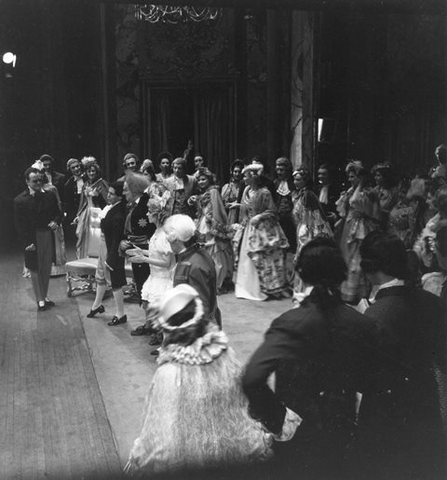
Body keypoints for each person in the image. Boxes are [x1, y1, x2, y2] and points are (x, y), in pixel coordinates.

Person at [242, 237, 377, 480]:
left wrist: (276, 417)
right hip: (340, 422)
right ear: (341, 275)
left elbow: (252, 377)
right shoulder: (362, 324)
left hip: (296, 425)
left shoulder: (290, 322)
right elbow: (369, 380)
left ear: (302, 275)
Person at [125, 284, 272, 476]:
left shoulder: (169, 374)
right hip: (231, 455)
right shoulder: (225, 355)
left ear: (169, 330)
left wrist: (138, 458)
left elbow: (158, 435)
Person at [357, 231, 446, 480]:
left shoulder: (373, 317)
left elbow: (363, 379)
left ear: (370, 269)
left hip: (384, 414)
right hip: (425, 403)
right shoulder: (432, 301)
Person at [127, 185, 176, 341]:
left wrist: (144, 259)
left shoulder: (164, 235)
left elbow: (167, 262)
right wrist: (141, 251)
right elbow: (156, 253)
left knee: (160, 309)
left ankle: (164, 337)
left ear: (156, 215)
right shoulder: (157, 230)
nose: (147, 214)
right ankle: (156, 331)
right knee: (148, 304)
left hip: (163, 277)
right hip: (155, 276)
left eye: (149, 212)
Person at [235, 163, 290, 301]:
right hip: (250, 226)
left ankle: (265, 287)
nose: (244, 179)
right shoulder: (247, 190)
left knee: (263, 257)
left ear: (253, 177)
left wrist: (259, 216)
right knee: (247, 257)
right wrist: (239, 206)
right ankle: (247, 287)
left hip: (262, 228)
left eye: (246, 176)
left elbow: (272, 211)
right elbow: (248, 207)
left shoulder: (264, 192)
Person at [14, 167, 63, 311]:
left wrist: (56, 221)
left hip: (47, 235)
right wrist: (26, 243)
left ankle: (44, 295)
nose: (38, 183)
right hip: (31, 238)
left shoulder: (49, 195)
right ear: (27, 181)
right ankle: (40, 299)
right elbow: (19, 225)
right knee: (35, 267)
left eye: (40, 180)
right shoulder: (20, 200)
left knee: (46, 267)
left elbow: (58, 214)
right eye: (34, 181)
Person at [164, 214, 221, 327]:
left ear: (175, 240)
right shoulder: (199, 254)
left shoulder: (192, 265)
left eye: (167, 238)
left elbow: (201, 306)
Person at [336, 160, 381, 303]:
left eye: (352, 176)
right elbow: (343, 210)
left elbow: (375, 213)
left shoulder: (368, 192)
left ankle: (358, 292)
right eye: (349, 177)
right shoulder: (350, 191)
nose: (350, 180)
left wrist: (364, 215)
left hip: (361, 228)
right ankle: (346, 291)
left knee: (358, 258)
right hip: (349, 226)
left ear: (360, 177)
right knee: (347, 256)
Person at [86, 181, 128, 326]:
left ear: (120, 197)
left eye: (111, 194)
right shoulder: (112, 207)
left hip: (112, 249)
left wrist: (111, 258)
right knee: (100, 276)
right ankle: (97, 305)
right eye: (108, 192)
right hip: (103, 245)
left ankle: (120, 313)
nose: (108, 195)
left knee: (115, 280)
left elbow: (116, 240)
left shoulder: (119, 214)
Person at [191, 167, 234, 294]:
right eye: (199, 180)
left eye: (203, 179)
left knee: (215, 253)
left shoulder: (214, 191)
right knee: (205, 253)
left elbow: (217, 210)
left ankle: (217, 283)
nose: (201, 182)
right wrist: (196, 202)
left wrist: (215, 226)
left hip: (210, 224)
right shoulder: (204, 193)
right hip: (203, 222)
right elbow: (202, 209)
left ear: (209, 180)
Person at [120, 173, 156, 302]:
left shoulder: (145, 206)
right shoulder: (134, 205)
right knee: (141, 284)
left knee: (145, 285)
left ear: (134, 191)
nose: (124, 194)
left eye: (125, 190)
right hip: (137, 249)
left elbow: (149, 231)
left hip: (144, 251)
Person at [291, 167, 332, 263]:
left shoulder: (308, 194)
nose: (295, 182)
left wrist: (318, 230)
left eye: (298, 180)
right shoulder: (299, 194)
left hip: (309, 226)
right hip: (302, 225)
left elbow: (316, 213)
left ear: (305, 181)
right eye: (295, 180)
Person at [73, 157, 108, 259]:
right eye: (89, 171)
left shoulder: (102, 183)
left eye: (93, 171)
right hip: (86, 212)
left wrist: (98, 196)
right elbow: (82, 202)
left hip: (97, 212)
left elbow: (107, 200)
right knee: (81, 234)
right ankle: (83, 260)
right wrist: (78, 215)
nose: (91, 173)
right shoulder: (85, 185)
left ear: (97, 172)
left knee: (95, 236)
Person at [273, 157, 296, 253]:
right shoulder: (275, 183)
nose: (279, 172)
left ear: (288, 170)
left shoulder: (294, 183)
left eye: (281, 170)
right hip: (278, 219)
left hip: (292, 221)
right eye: (277, 170)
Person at [372, 163, 398, 228]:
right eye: (375, 175)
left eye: (378, 175)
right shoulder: (375, 190)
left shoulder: (394, 192)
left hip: (388, 226)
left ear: (385, 177)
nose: (375, 178)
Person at [317, 163, 341, 228]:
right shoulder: (317, 189)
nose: (320, 176)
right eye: (319, 174)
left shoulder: (336, 190)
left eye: (324, 174)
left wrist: (335, 216)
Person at [221, 159, 245, 225]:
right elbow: (222, 203)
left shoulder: (245, 186)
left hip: (241, 214)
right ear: (232, 172)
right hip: (229, 215)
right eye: (235, 171)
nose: (237, 174)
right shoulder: (227, 187)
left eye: (239, 172)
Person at [63, 158, 84, 227]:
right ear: (70, 170)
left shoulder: (88, 178)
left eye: (77, 166)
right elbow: (69, 204)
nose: (76, 169)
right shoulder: (68, 185)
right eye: (73, 168)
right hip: (76, 215)